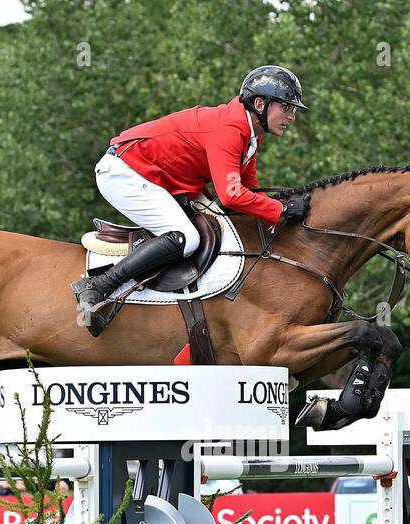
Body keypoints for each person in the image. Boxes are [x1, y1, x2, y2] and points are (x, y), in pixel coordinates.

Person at [70, 66, 310, 335]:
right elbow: (232, 195)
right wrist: (281, 208)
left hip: (154, 177)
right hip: (123, 173)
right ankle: (98, 286)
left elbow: (248, 192)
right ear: (259, 104)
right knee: (186, 237)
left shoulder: (251, 134)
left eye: (293, 110)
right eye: (287, 108)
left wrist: (280, 210)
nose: (291, 116)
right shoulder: (230, 128)